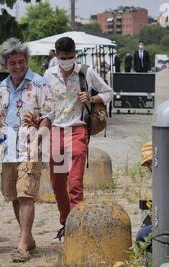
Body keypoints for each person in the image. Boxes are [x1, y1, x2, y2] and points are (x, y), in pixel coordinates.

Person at [43, 37, 113, 243]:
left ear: (76, 54)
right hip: (56, 130)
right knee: (57, 183)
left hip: (78, 130)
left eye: (71, 57)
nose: (67, 61)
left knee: (75, 183)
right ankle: (66, 222)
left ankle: (77, 229)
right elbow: (43, 101)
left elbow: (108, 92)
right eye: (63, 58)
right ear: (56, 55)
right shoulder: (48, 75)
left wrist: (91, 99)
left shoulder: (85, 72)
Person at [0, 38, 54, 262]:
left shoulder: (39, 83)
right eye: (13, 63)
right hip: (8, 146)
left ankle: (22, 245)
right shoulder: (2, 86)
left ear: (27, 60)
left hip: (31, 145)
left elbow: (48, 115)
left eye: (21, 61)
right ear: (6, 64)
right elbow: (0, 115)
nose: (18, 66)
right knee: (13, 194)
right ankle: (27, 237)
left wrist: (39, 136)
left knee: (26, 193)